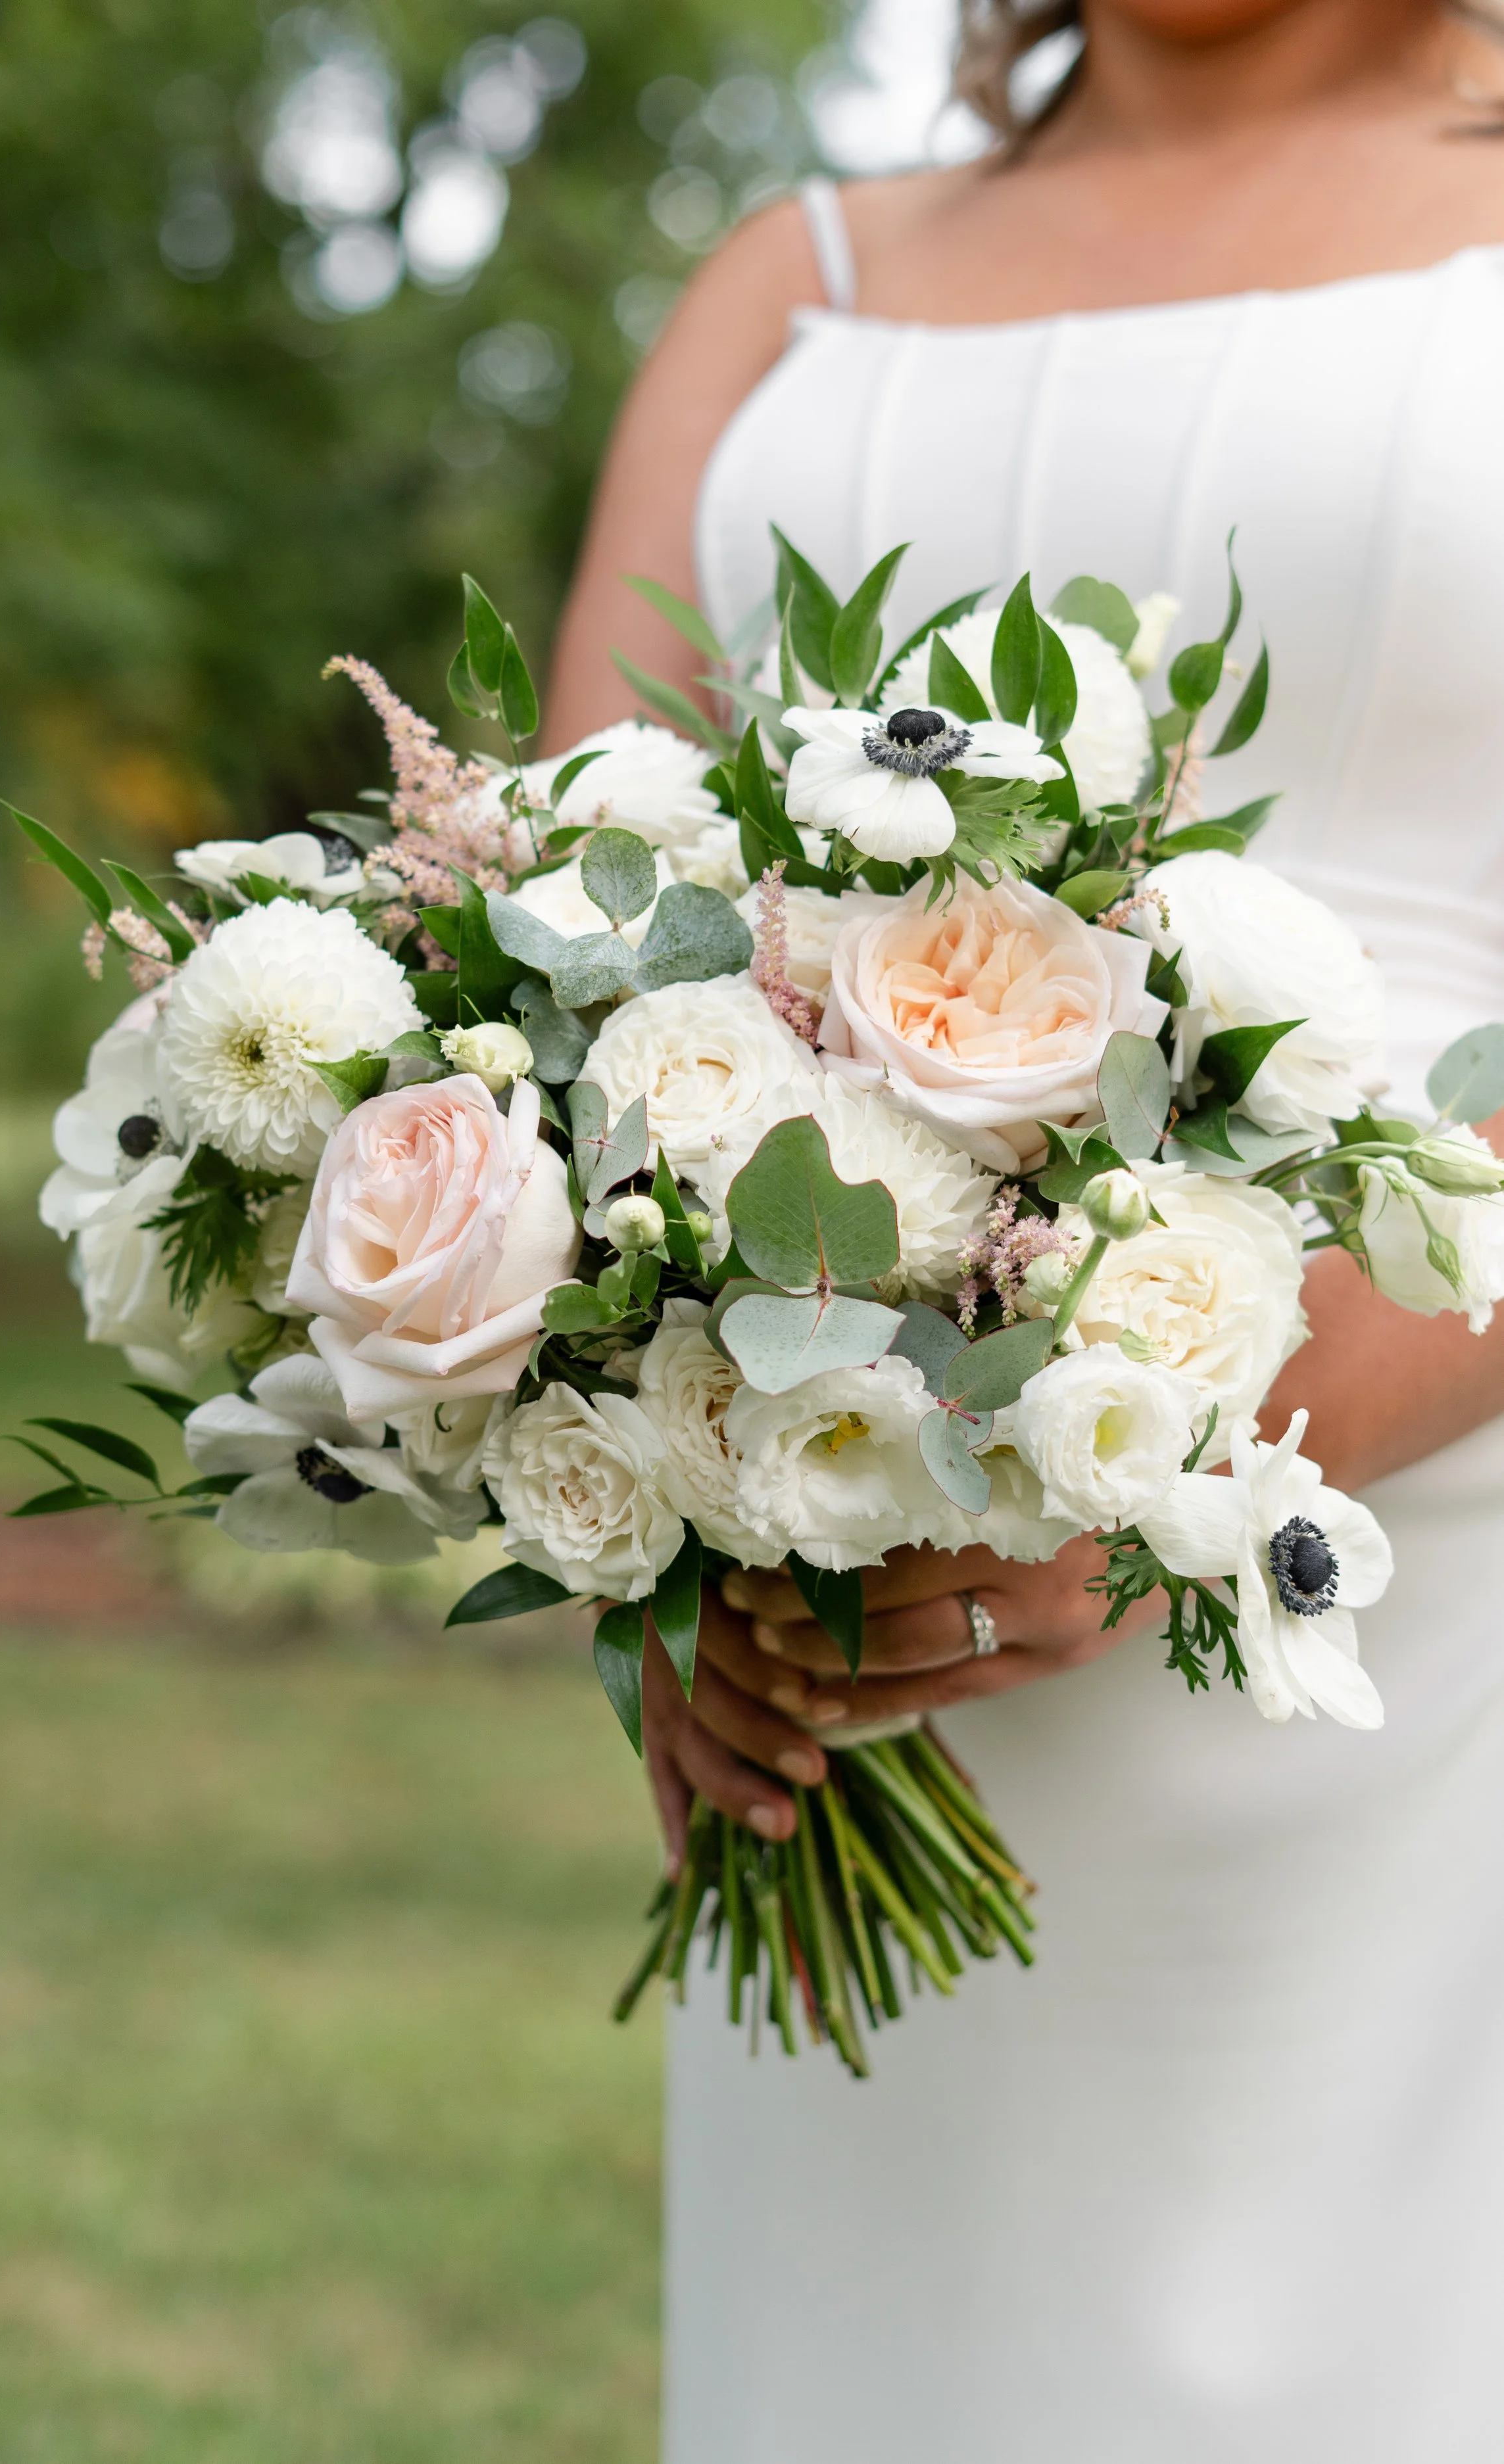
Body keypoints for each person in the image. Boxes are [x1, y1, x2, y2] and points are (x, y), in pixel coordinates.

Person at [546, 0, 1504, 2452]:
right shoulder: (799, 278)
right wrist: (652, 1525)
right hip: (835, 1620)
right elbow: (561, 939)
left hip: (1437, 1594)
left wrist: (1193, 1459)